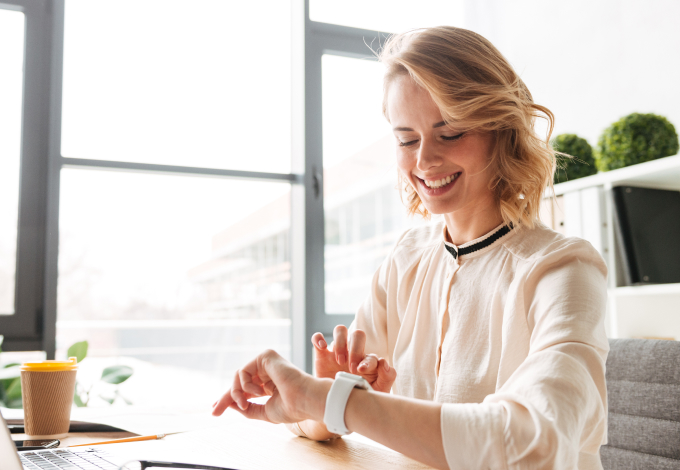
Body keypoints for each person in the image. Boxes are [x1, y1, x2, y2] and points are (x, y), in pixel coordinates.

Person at [212, 26, 608, 470]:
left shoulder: (564, 270)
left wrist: (331, 400)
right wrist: (323, 400)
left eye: (450, 132)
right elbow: (325, 412)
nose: (423, 161)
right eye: (406, 139)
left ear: (501, 129)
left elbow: (533, 443)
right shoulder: (407, 259)